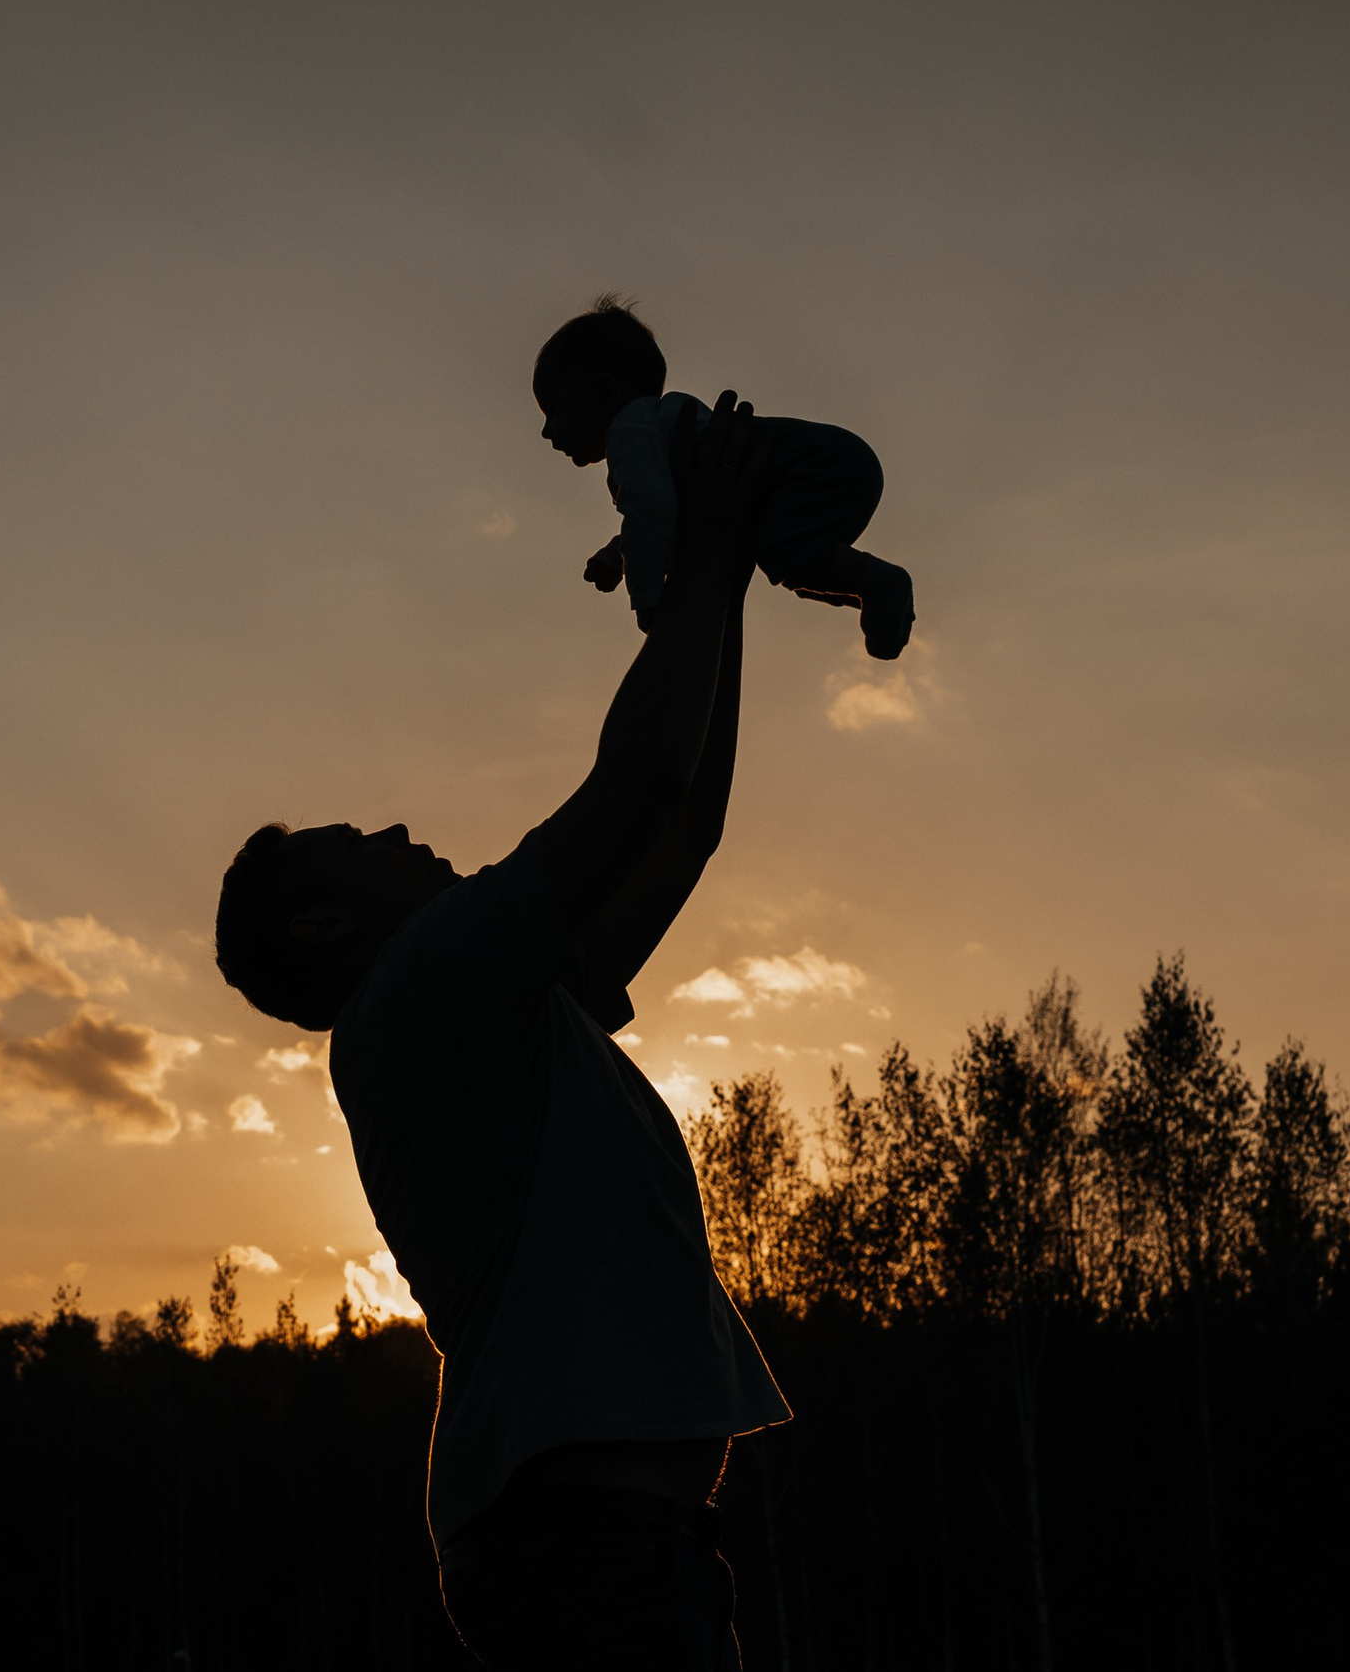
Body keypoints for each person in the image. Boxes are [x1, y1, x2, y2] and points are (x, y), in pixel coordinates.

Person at [215, 393, 789, 1669]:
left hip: (602, 1552)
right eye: (352, 843)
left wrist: (725, 569)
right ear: (320, 927)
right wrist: (706, 555)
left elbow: (677, 818)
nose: (397, 832)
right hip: (585, 1556)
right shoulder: (419, 989)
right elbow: (638, 786)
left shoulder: (486, 1008)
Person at [541, 295, 915, 661]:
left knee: (785, 554)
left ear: (605, 392)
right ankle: (876, 591)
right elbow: (669, 521)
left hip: (819, 467)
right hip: (840, 461)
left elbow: (650, 513)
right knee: (791, 563)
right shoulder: (658, 432)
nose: (545, 431)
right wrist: (616, 557)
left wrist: (648, 600)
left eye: (553, 409)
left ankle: (882, 584)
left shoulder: (630, 430)